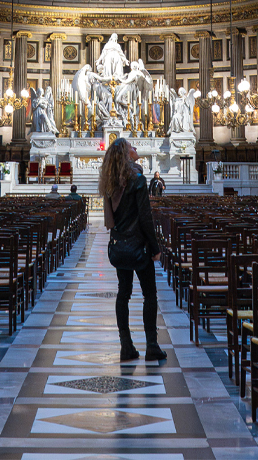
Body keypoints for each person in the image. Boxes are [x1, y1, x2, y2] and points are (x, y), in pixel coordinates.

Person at [99, 137, 166, 362]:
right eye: (131, 146)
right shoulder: (137, 179)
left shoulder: (109, 182)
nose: (135, 148)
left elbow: (110, 219)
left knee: (123, 294)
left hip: (120, 246)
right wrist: (155, 247)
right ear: (126, 154)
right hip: (139, 247)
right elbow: (145, 217)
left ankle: (126, 346)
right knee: (149, 295)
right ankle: (152, 345)